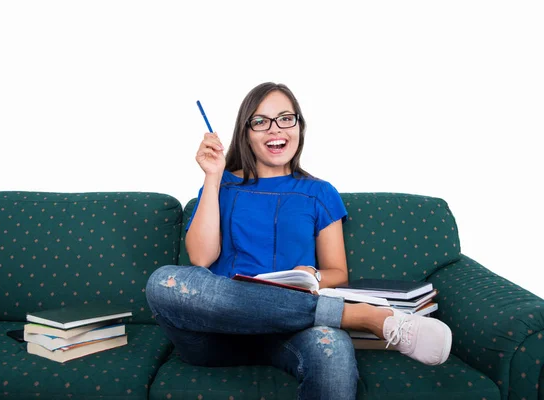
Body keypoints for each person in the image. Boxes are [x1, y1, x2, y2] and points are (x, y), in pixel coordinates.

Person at [146, 82, 452, 399]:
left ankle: (333, 317)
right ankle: (358, 316)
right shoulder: (222, 183)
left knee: (332, 348)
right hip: (216, 334)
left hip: (291, 331)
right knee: (164, 282)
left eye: (285, 118)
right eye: (261, 121)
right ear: (246, 132)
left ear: (299, 126)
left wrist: (313, 274)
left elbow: (337, 273)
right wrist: (212, 177)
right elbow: (201, 259)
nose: (274, 129)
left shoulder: (320, 193)